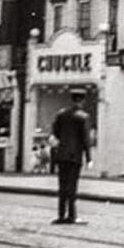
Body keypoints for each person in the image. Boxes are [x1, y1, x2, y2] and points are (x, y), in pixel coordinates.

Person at [49, 87, 93, 225]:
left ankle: (61, 215)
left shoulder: (61, 114)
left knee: (62, 187)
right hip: (74, 157)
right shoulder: (83, 117)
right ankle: (72, 216)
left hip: (62, 155)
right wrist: (89, 158)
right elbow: (86, 139)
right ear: (83, 101)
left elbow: (55, 134)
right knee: (72, 187)